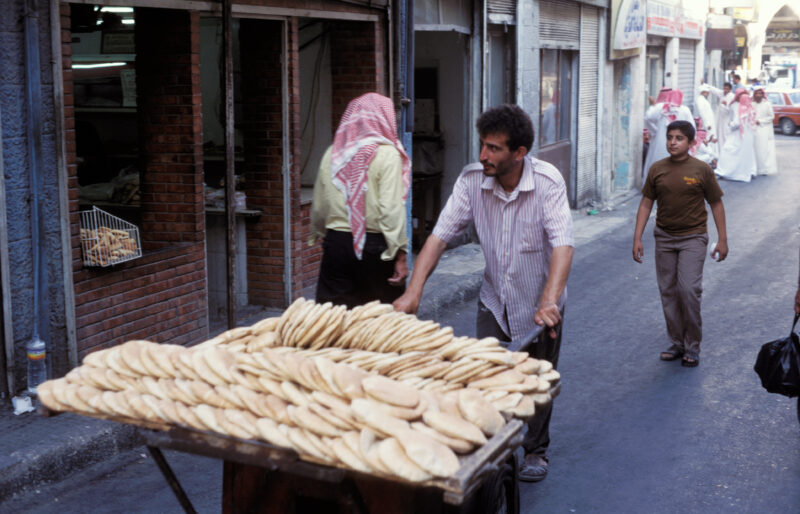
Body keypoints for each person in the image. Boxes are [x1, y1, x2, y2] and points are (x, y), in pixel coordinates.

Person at [393, 104, 574, 483]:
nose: (482, 155)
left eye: (493, 148)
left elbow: (562, 245)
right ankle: (494, 446)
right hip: (494, 299)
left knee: (537, 380)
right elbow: (439, 237)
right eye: (482, 145)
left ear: (519, 153)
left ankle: (536, 449)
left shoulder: (547, 182)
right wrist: (414, 293)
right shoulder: (472, 180)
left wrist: (549, 301)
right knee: (487, 376)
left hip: (541, 304)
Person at [633, 120, 728, 368]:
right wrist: (637, 237)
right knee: (668, 291)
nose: (673, 142)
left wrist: (723, 240)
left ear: (691, 143)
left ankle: (693, 346)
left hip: (693, 238)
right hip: (664, 237)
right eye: (670, 137)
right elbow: (646, 203)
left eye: (679, 138)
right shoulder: (657, 169)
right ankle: (677, 342)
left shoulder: (701, 170)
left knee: (688, 290)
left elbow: (716, 203)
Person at [310, 92, 411, 308]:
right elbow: (391, 210)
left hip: (337, 242)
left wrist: (322, 236)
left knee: (334, 320)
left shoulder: (333, 154)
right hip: (375, 247)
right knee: (379, 323)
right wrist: (400, 253)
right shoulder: (387, 155)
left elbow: (320, 206)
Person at [643, 88, 695, 179]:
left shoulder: (660, 108)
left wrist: (654, 131)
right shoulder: (684, 110)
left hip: (660, 143)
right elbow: (692, 127)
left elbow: (647, 118)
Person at [716, 88, 757, 182]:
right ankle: (748, 171)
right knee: (745, 153)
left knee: (727, 150)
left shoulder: (741, 108)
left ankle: (726, 171)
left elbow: (736, 123)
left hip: (738, 134)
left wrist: (730, 125)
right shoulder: (750, 108)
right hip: (747, 135)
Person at [752, 87, 778, 176]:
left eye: (760, 93)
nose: (758, 95)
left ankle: (764, 169)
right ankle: (755, 169)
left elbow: (771, 117)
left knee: (763, 149)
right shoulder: (752, 104)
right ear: (754, 94)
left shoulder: (767, 104)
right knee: (754, 149)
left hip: (764, 129)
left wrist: (760, 121)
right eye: (757, 93)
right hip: (753, 129)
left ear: (763, 95)